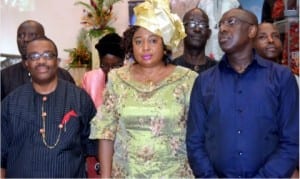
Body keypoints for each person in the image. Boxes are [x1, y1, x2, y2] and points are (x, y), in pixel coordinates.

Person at [89, 0, 198, 177]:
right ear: (131, 45)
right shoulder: (117, 79)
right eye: (138, 41)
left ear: (165, 45)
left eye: (153, 40)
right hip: (127, 173)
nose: (145, 48)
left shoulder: (187, 80)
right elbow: (105, 132)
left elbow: (199, 135)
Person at [186, 8, 299, 178]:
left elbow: (292, 140)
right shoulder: (204, 82)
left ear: (252, 31)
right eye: (221, 24)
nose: (223, 29)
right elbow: (195, 142)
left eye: (231, 23)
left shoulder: (281, 78)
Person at [1, 37, 97, 178]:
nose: (41, 61)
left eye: (47, 55)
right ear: (26, 63)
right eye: (34, 56)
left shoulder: (79, 99)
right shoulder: (11, 103)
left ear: (57, 61)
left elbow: (93, 149)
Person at [1, 20, 75, 100]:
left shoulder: (63, 75)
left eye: (32, 35)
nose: (25, 39)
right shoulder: (5, 76)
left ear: (43, 38)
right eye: (21, 36)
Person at [81, 32, 125, 108]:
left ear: (123, 63)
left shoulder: (131, 79)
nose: (110, 71)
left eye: (116, 66)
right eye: (104, 65)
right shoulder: (89, 78)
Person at [172, 7, 217, 73]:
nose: (197, 29)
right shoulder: (171, 68)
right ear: (182, 31)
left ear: (209, 33)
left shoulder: (217, 70)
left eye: (202, 25)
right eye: (192, 24)